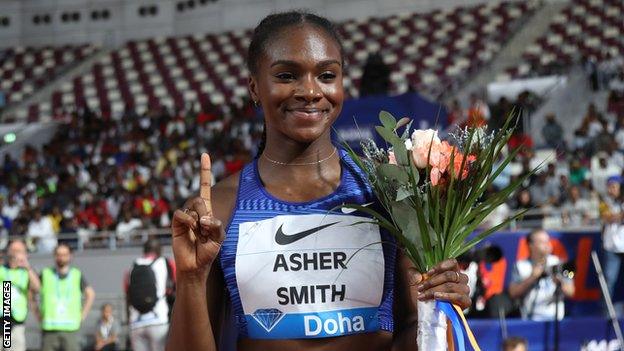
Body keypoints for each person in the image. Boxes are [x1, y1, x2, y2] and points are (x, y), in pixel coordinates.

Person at [166, 11, 471, 351]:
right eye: (286, 75)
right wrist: (191, 280)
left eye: (327, 75)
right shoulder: (221, 207)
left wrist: (442, 307)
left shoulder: (390, 193)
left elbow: (417, 329)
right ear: (254, 86)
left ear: (342, 84)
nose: (310, 90)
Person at [38, 243, 96, 351]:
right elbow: (32, 291)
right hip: (50, 328)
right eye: (59, 254)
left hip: (70, 328)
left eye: (64, 254)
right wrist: (37, 314)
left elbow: (91, 294)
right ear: (54, 256)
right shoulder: (46, 273)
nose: (61, 257)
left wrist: (82, 315)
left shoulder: (76, 274)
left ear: (70, 256)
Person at [508, 229, 575, 321]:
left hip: (556, 318)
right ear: (531, 245)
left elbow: (571, 292)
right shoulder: (521, 266)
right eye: (541, 242)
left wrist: (559, 282)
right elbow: (513, 293)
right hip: (531, 319)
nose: (547, 244)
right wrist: (532, 277)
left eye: (547, 241)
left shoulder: (558, 263)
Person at [126, 239, 175, 351]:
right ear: (160, 250)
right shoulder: (166, 263)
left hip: (136, 322)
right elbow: (175, 287)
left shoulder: (133, 266)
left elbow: (128, 295)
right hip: (158, 320)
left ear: (144, 250)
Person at [0, 240, 41, 351]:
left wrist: (27, 266)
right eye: (13, 250)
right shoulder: (1, 269)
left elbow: (37, 288)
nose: (15, 253)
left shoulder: (26, 272)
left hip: (16, 322)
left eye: (19, 251)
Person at [598, 176, 624, 316]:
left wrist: (617, 215)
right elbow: (605, 216)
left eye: (614, 186)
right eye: (609, 186)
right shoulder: (604, 201)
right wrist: (619, 215)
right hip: (611, 247)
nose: (610, 189)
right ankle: (605, 314)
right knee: (608, 281)